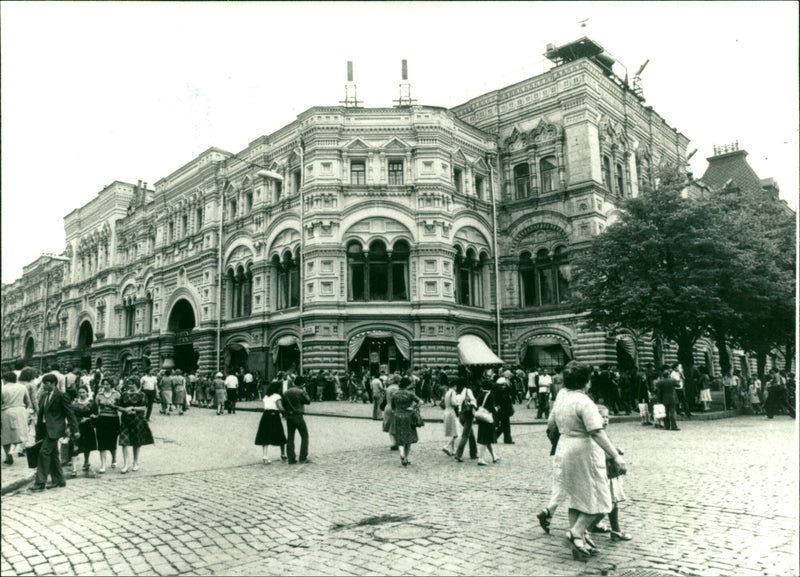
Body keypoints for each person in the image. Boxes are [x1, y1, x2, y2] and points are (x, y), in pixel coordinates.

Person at [545, 361, 626, 560]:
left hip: (564, 447)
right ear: (586, 382)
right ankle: (576, 533)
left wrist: (560, 443)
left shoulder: (561, 396)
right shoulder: (585, 402)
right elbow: (597, 432)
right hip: (584, 450)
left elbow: (550, 426)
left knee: (576, 496)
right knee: (602, 500)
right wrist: (615, 456)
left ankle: (579, 542)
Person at [585, 405, 632, 545]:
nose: (605, 420)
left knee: (613, 502)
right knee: (606, 505)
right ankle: (583, 530)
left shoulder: (603, 433)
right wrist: (614, 453)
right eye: (602, 417)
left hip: (610, 473)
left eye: (607, 417)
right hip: (603, 473)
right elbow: (598, 454)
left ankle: (616, 531)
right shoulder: (595, 434)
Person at [29, 373, 80, 492]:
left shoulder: (62, 396)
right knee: (53, 454)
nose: (43, 386)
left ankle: (40, 482)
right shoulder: (44, 396)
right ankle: (59, 480)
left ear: (52, 383)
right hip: (44, 429)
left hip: (55, 430)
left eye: (45, 384)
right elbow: (41, 413)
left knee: (44, 452)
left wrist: (75, 429)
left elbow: (70, 413)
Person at [117, 377, 154, 472]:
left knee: (136, 442)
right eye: (129, 383)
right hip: (126, 420)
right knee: (124, 442)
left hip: (137, 420)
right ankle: (126, 464)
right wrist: (124, 410)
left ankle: (135, 462)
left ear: (137, 384)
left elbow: (144, 408)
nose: (130, 385)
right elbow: (119, 405)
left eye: (132, 383)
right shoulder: (124, 394)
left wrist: (132, 408)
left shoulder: (142, 395)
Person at [390, 377, 423, 467]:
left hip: (397, 416)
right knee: (409, 438)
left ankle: (401, 454)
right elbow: (421, 402)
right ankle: (406, 457)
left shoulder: (395, 394)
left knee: (399, 437)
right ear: (407, 385)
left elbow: (392, 407)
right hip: (408, 416)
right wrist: (414, 408)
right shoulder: (410, 394)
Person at [2, 371, 33, 465]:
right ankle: (12, 451)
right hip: (20, 411)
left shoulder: (3, 389)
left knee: (6, 436)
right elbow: (28, 401)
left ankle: (8, 455)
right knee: (20, 435)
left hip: (6, 411)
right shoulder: (22, 387)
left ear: (5, 379)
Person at [254, 382, 287, 464]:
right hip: (274, 415)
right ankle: (283, 454)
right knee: (280, 434)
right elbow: (280, 407)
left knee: (265, 435)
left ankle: (265, 455)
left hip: (265, 415)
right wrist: (285, 414)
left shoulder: (266, 396)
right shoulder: (277, 396)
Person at [93, 378, 120, 473]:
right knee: (102, 442)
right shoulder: (99, 395)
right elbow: (95, 407)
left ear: (111, 385)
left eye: (107, 384)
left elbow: (121, 407)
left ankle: (114, 459)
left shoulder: (116, 394)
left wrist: (115, 407)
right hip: (102, 419)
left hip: (113, 420)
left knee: (112, 441)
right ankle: (103, 464)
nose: (105, 386)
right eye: (104, 384)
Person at [70, 385, 98, 477]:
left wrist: (89, 418)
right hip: (76, 427)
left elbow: (96, 414)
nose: (81, 394)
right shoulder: (74, 403)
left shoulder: (91, 403)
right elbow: (71, 415)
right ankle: (74, 468)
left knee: (87, 445)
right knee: (74, 446)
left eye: (83, 392)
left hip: (87, 427)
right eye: (80, 392)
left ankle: (86, 462)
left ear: (87, 393)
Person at [283, 376, 312, 464]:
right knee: (304, 436)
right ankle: (303, 457)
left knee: (290, 437)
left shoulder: (287, 392)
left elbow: (284, 404)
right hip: (298, 416)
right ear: (302, 383)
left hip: (289, 416)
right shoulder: (301, 391)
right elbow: (308, 401)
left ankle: (291, 458)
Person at [453, 379, 478, 462]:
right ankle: (458, 454)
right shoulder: (468, 391)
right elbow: (473, 400)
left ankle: (473, 453)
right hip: (468, 415)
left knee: (471, 434)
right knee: (465, 435)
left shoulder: (456, 393)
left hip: (461, 415)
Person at [475, 379, 498, 466]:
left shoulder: (479, 395)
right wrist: (496, 411)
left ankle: (494, 456)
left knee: (485, 438)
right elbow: (491, 408)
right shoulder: (490, 395)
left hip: (481, 417)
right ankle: (481, 459)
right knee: (485, 439)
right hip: (487, 418)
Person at [441, 378, 460, 456]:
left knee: (453, 432)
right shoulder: (453, 392)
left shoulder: (447, 392)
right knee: (456, 433)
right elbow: (453, 403)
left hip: (446, 412)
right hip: (451, 412)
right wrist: (458, 403)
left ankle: (453, 450)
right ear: (454, 386)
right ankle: (446, 446)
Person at [494, 377, 515, 444]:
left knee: (504, 426)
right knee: (505, 426)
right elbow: (507, 400)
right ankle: (504, 439)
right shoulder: (504, 392)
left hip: (501, 410)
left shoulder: (497, 391)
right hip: (504, 411)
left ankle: (505, 439)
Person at [383, 376, 400, 451]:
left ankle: (393, 442)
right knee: (396, 425)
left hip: (387, 407)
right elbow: (396, 400)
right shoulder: (397, 388)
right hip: (395, 408)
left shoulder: (389, 387)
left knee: (390, 426)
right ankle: (396, 443)